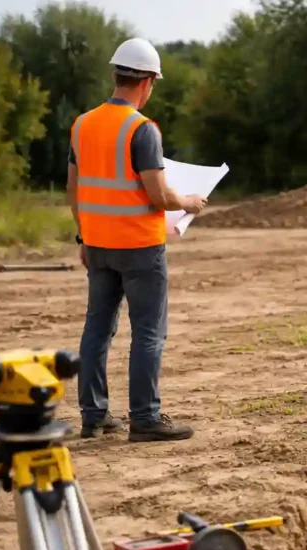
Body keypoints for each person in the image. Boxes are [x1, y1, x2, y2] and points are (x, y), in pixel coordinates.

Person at [67, 37, 207, 442]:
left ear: (117, 75)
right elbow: (160, 196)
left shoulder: (82, 125)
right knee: (148, 331)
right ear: (147, 81)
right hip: (140, 248)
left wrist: (83, 236)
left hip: (97, 246)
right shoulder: (141, 130)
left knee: (97, 329)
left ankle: (93, 416)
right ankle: (145, 418)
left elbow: (74, 188)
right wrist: (190, 201)